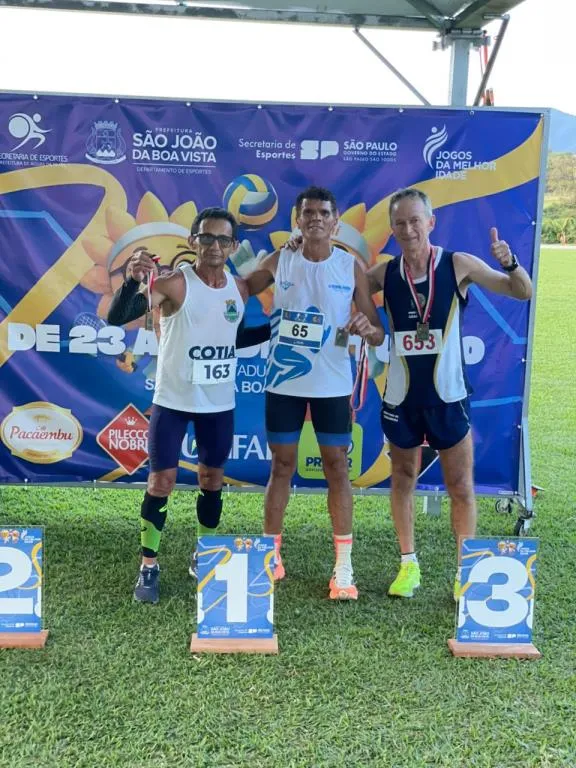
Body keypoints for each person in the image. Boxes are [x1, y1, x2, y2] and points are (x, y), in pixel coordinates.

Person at [366, 187, 533, 599]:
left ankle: (466, 574)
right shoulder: (385, 273)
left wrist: (509, 262)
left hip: (448, 397)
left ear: (431, 222)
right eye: (400, 223)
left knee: (459, 484)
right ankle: (408, 566)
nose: (408, 229)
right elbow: (337, 282)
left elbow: (521, 291)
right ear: (391, 228)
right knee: (402, 479)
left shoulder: (457, 264)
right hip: (401, 399)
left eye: (415, 220)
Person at [107, 207, 270, 604]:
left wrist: (279, 329)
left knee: (212, 481)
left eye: (223, 240)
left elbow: (234, 337)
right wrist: (131, 281)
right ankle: (148, 565)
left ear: (233, 246)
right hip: (173, 401)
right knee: (160, 482)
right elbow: (117, 318)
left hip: (217, 404)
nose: (215, 246)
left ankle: (206, 552)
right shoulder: (174, 283)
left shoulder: (240, 288)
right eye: (207, 238)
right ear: (192, 241)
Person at [244, 186, 384, 600]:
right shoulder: (281, 258)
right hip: (283, 382)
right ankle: (271, 555)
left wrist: (365, 328)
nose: (316, 219)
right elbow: (242, 288)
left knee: (336, 467)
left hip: (332, 384)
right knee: (281, 467)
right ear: (297, 219)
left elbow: (376, 332)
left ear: (336, 221)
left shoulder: (349, 265)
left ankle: (343, 566)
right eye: (308, 213)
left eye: (324, 213)